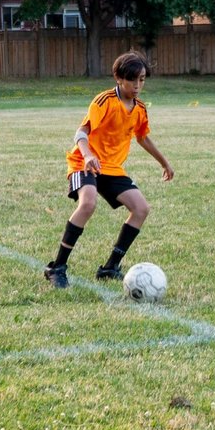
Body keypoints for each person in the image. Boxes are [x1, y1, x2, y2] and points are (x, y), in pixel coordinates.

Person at [45, 52, 174, 288]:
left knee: (141, 209)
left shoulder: (140, 109)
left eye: (142, 80)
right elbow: (81, 133)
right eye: (132, 80)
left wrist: (164, 162)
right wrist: (88, 155)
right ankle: (57, 267)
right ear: (118, 78)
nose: (137, 86)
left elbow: (143, 138)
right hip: (83, 162)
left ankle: (110, 267)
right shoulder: (104, 101)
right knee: (88, 203)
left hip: (112, 168)